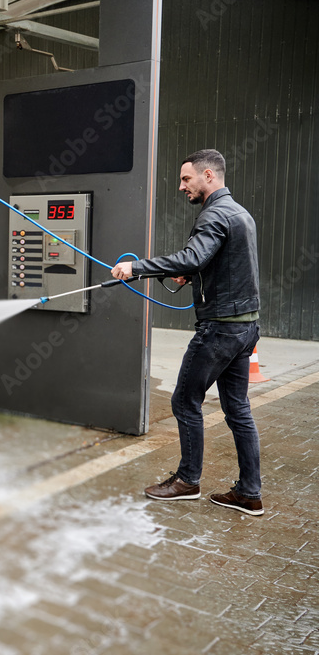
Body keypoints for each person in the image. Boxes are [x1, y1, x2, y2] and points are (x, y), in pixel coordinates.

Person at [111, 149, 264, 516]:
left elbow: (194, 256)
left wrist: (137, 268)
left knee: (183, 401)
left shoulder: (213, 215)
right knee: (238, 409)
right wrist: (192, 274)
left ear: (208, 175)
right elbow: (219, 263)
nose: (182, 187)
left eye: (186, 179)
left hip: (220, 330)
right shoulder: (239, 213)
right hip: (246, 327)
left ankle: (187, 481)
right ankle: (249, 493)